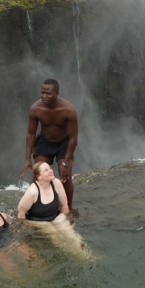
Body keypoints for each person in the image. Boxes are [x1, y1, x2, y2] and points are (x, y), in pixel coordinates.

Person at [19, 78, 79, 210]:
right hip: (44, 142)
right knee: (38, 175)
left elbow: (73, 138)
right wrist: (27, 159)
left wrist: (66, 162)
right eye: (42, 93)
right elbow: (30, 133)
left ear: (57, 93)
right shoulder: (36, 109)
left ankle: (67, 209)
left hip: (64, 143)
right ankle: (32, 208)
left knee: (65, 176)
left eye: (48, 93)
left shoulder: (68, 110)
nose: (44, 96)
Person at [18, 161, 91, 259]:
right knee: (56, 237)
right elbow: (21, 213)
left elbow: (64, 205)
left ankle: (88, 257)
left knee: (72, 235)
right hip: (39, 221)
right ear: (39, 176)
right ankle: (74, 257)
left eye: (50, 168)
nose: (51, 171)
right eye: (46, 170)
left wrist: (67, 219)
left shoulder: (56, 183)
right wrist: (25, 232)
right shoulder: (32, 192)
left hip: (56, 216)